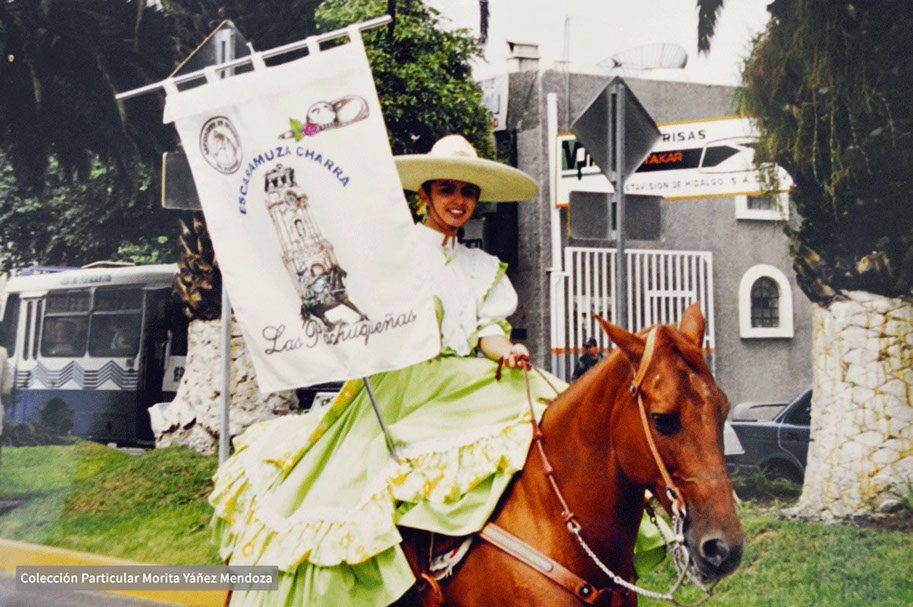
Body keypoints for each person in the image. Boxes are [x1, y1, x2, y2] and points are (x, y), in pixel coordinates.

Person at [208, 134, 561, 606]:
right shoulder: (399, 250)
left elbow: (486, 332)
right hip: (403, 381)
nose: (459, 201)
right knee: (362, 482)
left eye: (468, 192)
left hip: (460, 380)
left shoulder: (480, 266)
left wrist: (507, 351)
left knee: (539, 403)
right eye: (448, 190)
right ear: (426, 195)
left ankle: (477, 552)